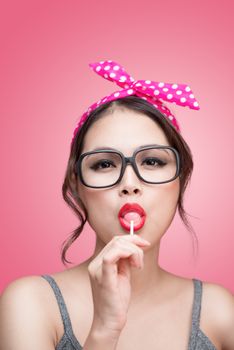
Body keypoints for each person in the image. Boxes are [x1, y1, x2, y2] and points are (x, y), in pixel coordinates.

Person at [0, 60, 233, 350]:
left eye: (152, 161)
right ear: (77, 187)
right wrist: (105, 330)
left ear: (181, 180)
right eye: (105, 164)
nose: (130, 182)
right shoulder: (31, 304)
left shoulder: (220, 312)